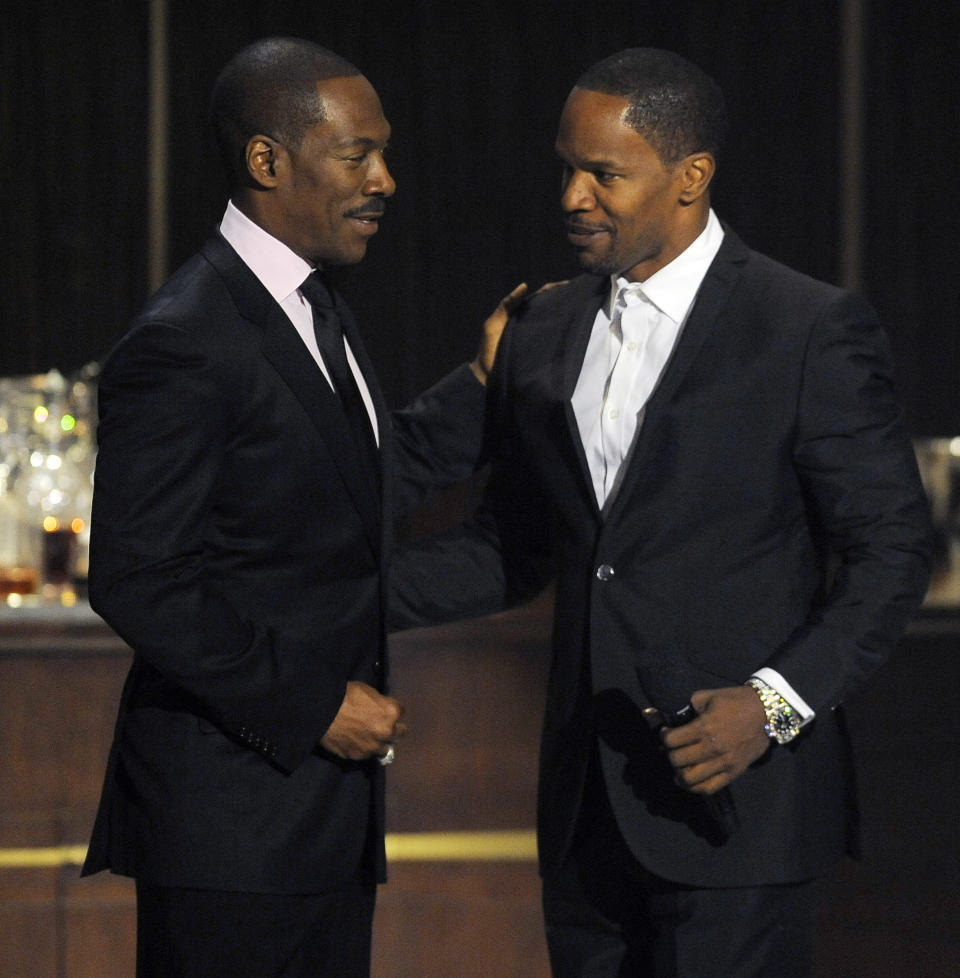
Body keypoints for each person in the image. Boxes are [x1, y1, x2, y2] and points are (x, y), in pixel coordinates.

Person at [390, 48, 934, 976]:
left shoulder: (806, 327)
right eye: (565, 167)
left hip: (740, 813)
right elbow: (520, 546)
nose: (571, 196)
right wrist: (331, 593)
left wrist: (772, 705)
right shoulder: (545, 328)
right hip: (584, 812)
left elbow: (892, 555)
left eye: (603, 173)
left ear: (691, 178)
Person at [82, 36, 516, 978]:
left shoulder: (312, 305)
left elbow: (361, 475)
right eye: (357, 154)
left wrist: (485, 381)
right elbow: (137, 576)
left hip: (315, 819)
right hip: (231, 826)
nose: (386, 180)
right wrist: (314, 704)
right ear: (267, 161)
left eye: (384, 152)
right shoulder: (184, 338)